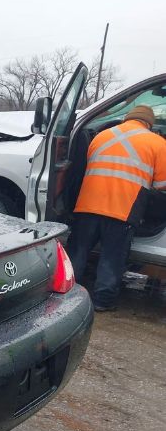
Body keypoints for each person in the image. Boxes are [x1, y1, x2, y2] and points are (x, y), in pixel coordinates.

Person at [66, 105, 166, 311]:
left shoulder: (101, 136)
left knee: (78, 252)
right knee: (112, 258)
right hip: (122, 210)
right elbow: (161, 185)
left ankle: (65, 293)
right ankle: (102, 301)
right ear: (149, 123)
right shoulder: (158, 143)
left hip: (87, 205)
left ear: (127, 118)